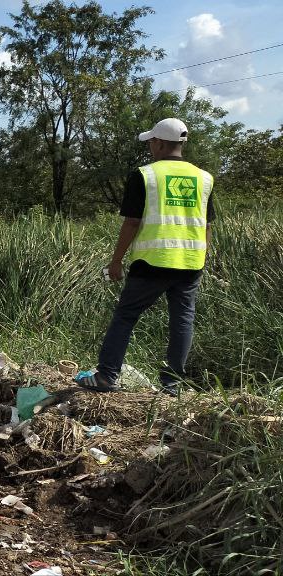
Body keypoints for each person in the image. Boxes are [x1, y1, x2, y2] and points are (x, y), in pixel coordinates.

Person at [76, 118, 215, 397]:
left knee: (125, 316)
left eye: (151, 142)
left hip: (153, 261)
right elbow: (207, 225)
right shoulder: (204, 178)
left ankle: (106, 376)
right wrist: (202, 258)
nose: (150, 146)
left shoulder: (145, 175)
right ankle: (171, 386)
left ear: (160, 143)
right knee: (182, 321)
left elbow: (132, 222)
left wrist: (116, 261)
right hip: (190, 263)